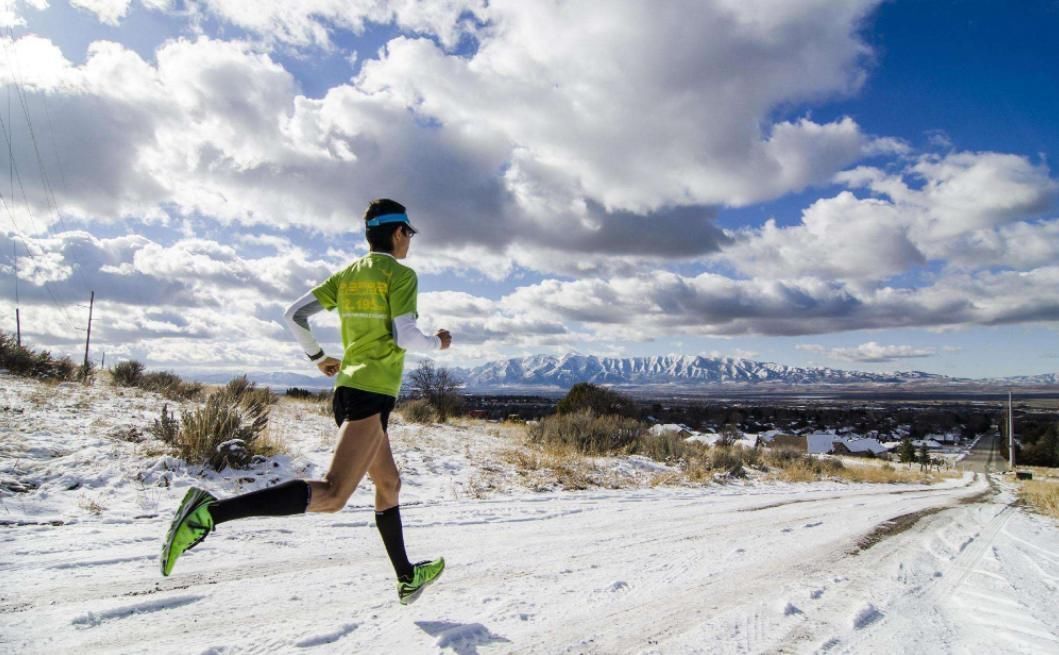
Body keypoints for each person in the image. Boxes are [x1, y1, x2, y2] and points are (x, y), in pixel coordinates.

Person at [160, 198, 453, 606]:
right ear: (399, 233)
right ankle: (210, 512)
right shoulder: (400, 276)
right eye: (409, 235)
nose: (410, 243)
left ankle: (406, 576)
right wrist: (438, 342)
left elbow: (293, 314)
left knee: (389, 483)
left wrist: (318, 358)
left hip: (350, 390)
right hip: (370, 396)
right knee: (333, 495)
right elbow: (406, 336)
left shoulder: (346, 277)